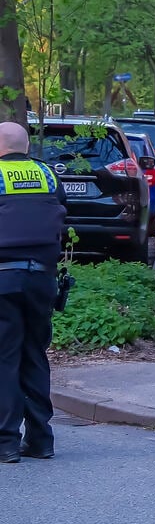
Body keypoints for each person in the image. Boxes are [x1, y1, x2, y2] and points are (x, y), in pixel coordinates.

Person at [0, 121, 67, 463]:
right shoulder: (48, 174)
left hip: (3, 280)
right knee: (35, 355)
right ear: (25, 146)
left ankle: (6, 442)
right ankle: (41, 439)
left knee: (4, 359)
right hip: (42, 279)